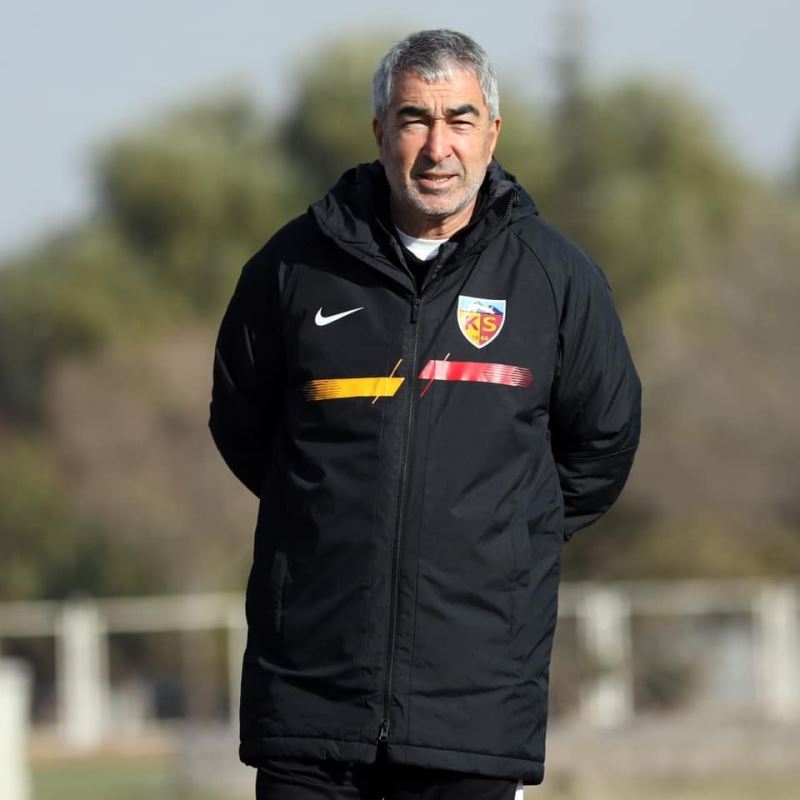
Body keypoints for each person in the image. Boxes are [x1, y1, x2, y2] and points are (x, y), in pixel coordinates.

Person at [209, 29, 641, 800]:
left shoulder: (556, 279)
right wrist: (329, 522)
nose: (438, 147)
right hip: (310, 695)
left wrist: (502, 536)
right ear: (381, 131)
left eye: (460, 120)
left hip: (474, 706)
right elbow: (244, 425)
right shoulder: (291, 269)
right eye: (415, 119)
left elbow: (602, 443)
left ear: (492, 133)